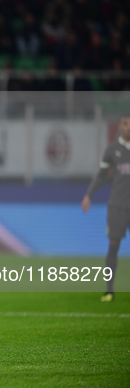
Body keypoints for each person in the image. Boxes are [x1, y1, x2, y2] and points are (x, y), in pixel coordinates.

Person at [82, 116, 130, 302]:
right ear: (119, 127)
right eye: (126, 124)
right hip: (117, 206)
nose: (129, 128)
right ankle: (109, 290)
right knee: (113, 246)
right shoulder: (112, 150)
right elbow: (101, 175)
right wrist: (88, 195)